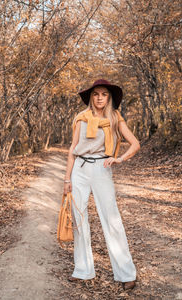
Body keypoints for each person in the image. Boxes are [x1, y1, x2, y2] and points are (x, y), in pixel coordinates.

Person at [63, 79, 140, 290]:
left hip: (101, 169)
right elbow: (73, 148)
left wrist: (120, 159)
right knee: (79, 220)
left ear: (109, 97)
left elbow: (135, 144)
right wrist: (67, 179)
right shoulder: (81, 118)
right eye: (96, 94)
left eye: (104, 94)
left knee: (111, 219)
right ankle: (83, 270)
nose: (99, 98)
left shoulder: (115, 118)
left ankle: (126, 273)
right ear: (91, 97)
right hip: (79, 170)